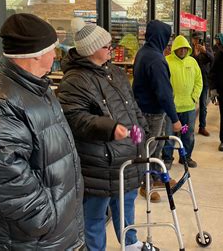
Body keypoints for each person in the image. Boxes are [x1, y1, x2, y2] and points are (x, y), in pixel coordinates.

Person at [0, 13, 84, 250]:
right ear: (36, 53)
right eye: (52, 49)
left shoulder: (35, 87)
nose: (55, 56)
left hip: (48, 235)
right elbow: (3, 175)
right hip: (27, 240)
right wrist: (46, 219)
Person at [57, 18, 153, 251]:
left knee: (125, 206)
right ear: (91, 50)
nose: (112, 49)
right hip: (98, 163)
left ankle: (130, 243)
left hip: (127, 158)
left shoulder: (115, 72)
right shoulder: (74, 81)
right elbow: (75, 118)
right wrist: (108, 127)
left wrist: (143, 129)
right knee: (95, 215)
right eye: (106, 46)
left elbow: (132, 106)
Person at [133, 20, 181, 203]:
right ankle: (146, 184)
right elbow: (163, 92)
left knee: (157, 146)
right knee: (148, 148)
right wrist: (174, 118)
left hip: (147, 110)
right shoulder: (155, 59)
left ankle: (156, 177)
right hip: (150, 112)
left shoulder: (144, 53)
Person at [163, 35, 203, 168]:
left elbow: (199, 81)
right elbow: (162, 83)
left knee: (188, 134)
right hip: (171, 108)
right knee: (169, 135)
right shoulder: (166, 61)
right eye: (180, 48)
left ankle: (185, 157)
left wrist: (194, 97)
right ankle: (167, 159)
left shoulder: (192, 62)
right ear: (175, 48)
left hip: (189, 107)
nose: (183, 51)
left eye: (185, 48)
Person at [191, 31, 214, 137]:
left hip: (204, 81)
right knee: (190, 105)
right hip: (191, 81)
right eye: (195, 39)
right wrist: (195, 54)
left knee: (203, 105)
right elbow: (189, 62)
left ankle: (202, 127)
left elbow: (213, 59)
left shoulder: (207, 48)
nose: (197, 41)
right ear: (192, 40)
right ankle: (187, 127)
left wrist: (204, 52)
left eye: (199, 39)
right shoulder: (189, 50)